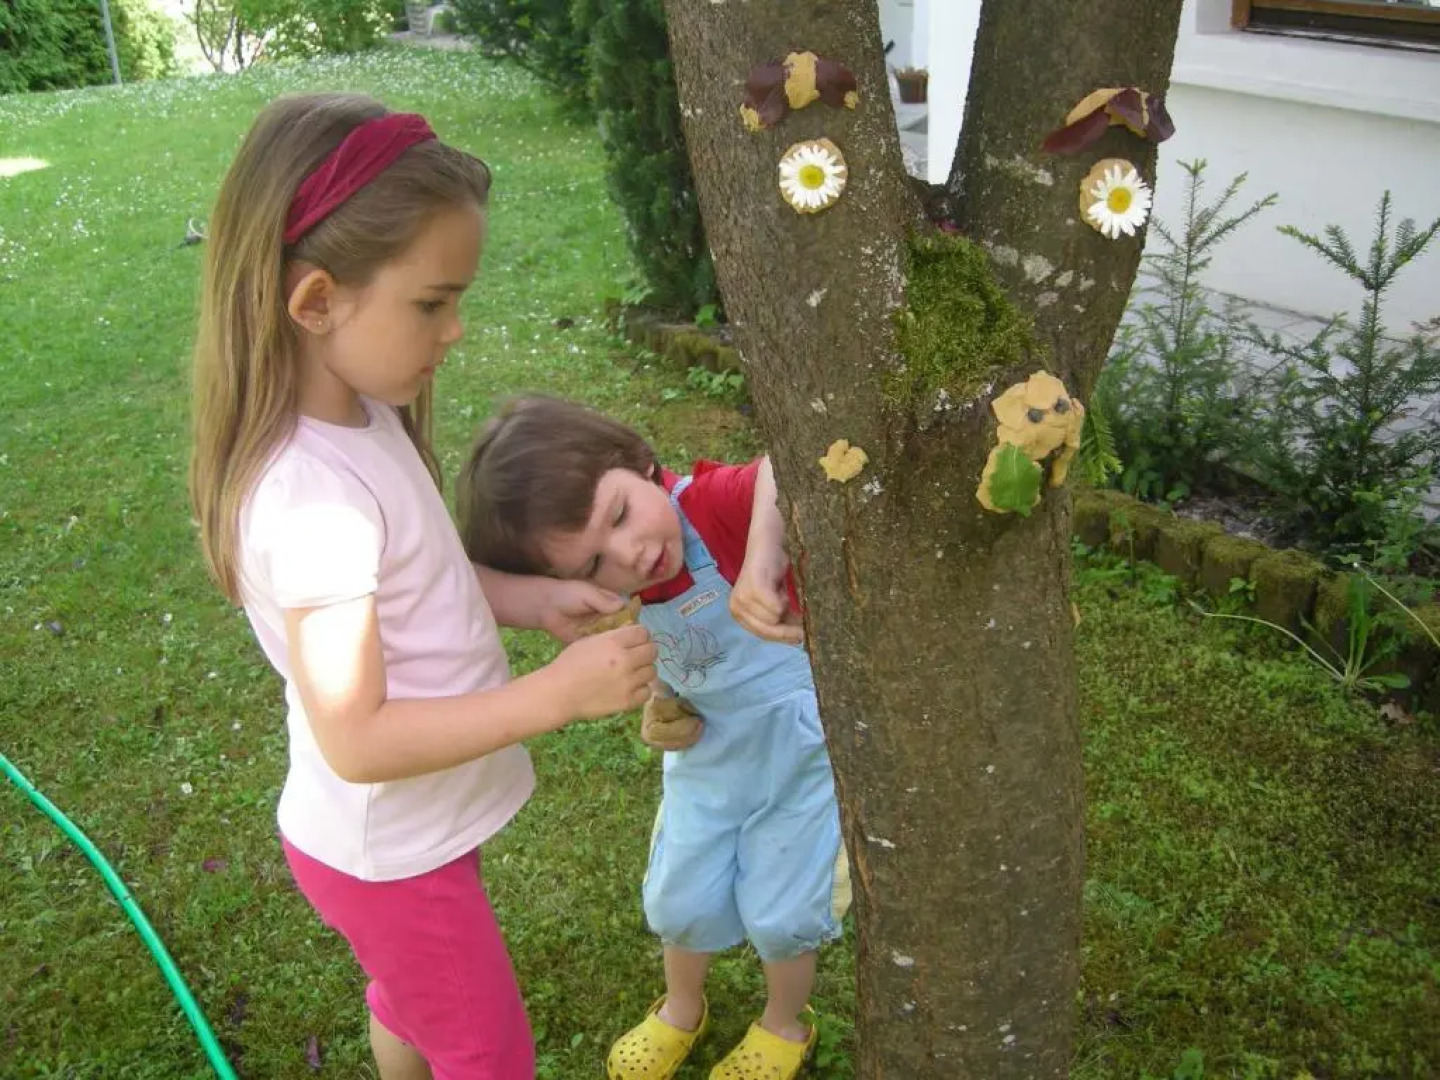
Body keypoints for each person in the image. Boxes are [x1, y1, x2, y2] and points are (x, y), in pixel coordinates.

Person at [187, 94, 656, 1080]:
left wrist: (523, 602)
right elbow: (356, 739)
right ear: (316, 302)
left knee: (409, 1002)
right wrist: (554, 696)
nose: (453, 331)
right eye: (432, 302)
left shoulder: (363, 411)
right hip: (392, 854)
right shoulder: (313, 505)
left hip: (408, 836)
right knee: (487, 1054)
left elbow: (418, 577)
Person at [456, 396, 849, 1080]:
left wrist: (762, 557)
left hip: (799, 755)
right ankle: (681, 1007)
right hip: (708, 753)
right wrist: (667, 700)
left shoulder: (710, 510)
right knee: (680, 897)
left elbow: (790, 460)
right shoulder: (617, 590)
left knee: (784, 912)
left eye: (618, 514)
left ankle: (784, 1024)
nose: (631, 555)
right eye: (590, 565)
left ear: (639, 463)